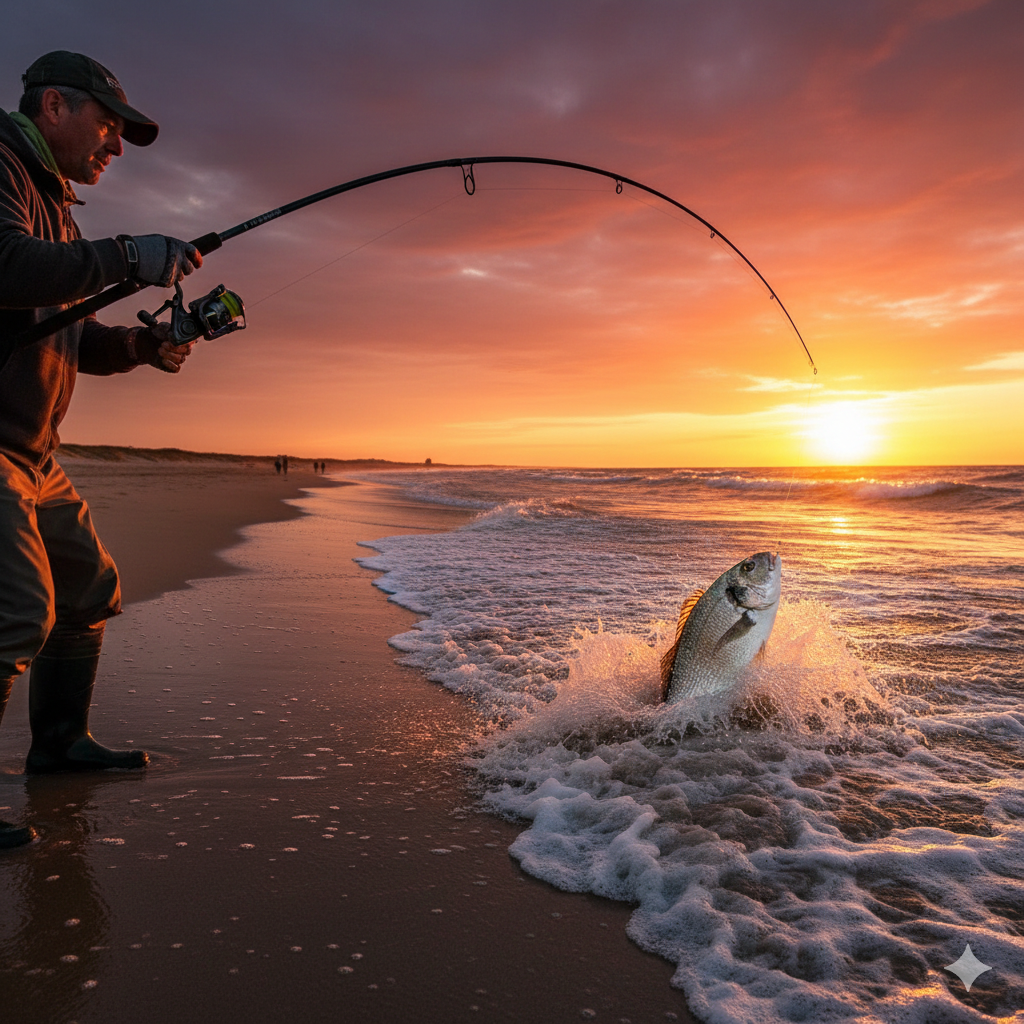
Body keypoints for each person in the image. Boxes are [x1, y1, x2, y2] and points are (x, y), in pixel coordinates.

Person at [0, 51, 203, 849]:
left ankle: (57, 747)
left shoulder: (55, 202)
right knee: (17, 612)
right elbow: (6, 266)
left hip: (31, 452)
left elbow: (62, 328)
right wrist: (128, 256)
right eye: (109, 125)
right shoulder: (4, 167)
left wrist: (139, 347)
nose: (114, 146)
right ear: (54, 105)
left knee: (86, 588)